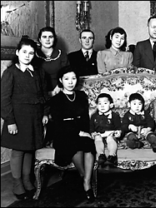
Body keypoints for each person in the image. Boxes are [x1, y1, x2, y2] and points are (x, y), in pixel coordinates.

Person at [1, 38, 49, 200]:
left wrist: (44, 113)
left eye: (31, 53)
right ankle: (17, 183)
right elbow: (4, 99)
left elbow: (43, 95)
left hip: (34, 116)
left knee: (30, 149)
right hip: (18, 118)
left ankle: (27, 180)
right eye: (24, 52)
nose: (27, 56)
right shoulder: (10, 73)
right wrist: (10, 121)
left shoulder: (38, 72)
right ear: (17, 53)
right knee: (19, 150)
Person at [50, 65, 96, 203]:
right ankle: (83, 175)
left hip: (82, 131)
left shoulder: (81, 96)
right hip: (63, 133)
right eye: (67, 79)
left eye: (73, 78)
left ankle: (86, 182)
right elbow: (58, 123)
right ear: (61, 80)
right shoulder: (56, 99)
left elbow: (84, 118)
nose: (70, 82)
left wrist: (87, 132)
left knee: (88, 143)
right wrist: (78, 131)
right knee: (74, 142)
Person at [35, 26, 69, 147]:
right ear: (39, 39)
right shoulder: (34, 54)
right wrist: (45, 93)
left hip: (59, 90)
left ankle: (58, 142)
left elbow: (67, 73)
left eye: (50, 37)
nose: (48, 39)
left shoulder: (61, 54)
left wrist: (57, 89)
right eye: (44, 37)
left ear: (54, 39)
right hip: (40, 92)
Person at [90, 93, 122, 167]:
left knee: (110, 138)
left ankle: (112, 156)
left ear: (111, 105)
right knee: (97, 138)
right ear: (97, 105)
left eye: (105, 103)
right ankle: (101, 155)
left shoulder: (115, 115)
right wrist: (92, 132)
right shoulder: (94, 116)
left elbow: (118, 127)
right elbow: (91, 127)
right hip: (99, 134)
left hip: (110, 133)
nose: (102, 106)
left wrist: (118, 132)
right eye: (99, 103)